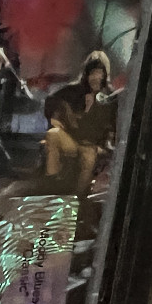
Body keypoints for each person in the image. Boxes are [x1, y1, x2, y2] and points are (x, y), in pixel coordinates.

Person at [42, 51, 117, 196]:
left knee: (88, 157)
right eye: (93, 73)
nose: (96, 77)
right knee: (53, 135)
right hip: (73, 141)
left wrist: (105, 147)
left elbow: (112, 129)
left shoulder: (110, 98)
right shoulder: (75, 91)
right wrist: (56, 121)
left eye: (99, 73)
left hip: (93, 147)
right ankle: (52, 182)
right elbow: (51, 102)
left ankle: (79, 196)